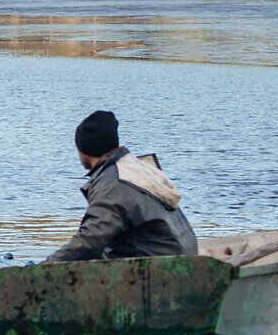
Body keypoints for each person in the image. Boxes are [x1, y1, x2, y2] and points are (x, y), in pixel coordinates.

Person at [44, 111, 198, 263]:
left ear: (83, 148)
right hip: (182, 255)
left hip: (159, 267)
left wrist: (45, 267)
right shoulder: (137, 167)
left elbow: (89, 241)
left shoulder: (113, 184)